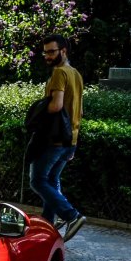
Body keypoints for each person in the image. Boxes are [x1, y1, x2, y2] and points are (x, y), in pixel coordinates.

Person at [27, 34, 86, 241]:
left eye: (52, 51)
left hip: (54, 138)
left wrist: (37, 110)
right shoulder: (76, 74)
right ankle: (48, 226)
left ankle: (71, 215)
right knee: (51, 179)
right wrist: (74, 143)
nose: (48, 56)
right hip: (70, 138)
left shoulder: (60, 73)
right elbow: (78, 111)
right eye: (45, 52)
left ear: (63, 51)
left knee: (37, 181)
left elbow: (56, 105)